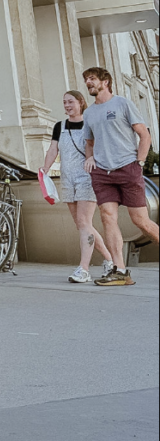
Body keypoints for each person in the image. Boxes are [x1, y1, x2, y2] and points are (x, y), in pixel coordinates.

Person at [82, 67, 159, 286]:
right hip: (102, 173)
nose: (88, 82)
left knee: (141, 221)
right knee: (107, 217)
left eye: (92, 78)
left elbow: (144, 135)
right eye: (86, 79)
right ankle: (120, 270)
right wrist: (89, 158)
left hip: (128, 168)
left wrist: (139, 163)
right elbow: (89, 142)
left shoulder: (122, 104)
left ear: (105, 82)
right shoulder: (89, 113)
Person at [40, 90, 115, 284]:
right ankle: (109, 260)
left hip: (87, 178)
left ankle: (84, 269)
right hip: (67, 178)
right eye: (64, 102)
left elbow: (101, 148)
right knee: (82, 225)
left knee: (83, 222)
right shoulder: (59, 126)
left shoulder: (91, 123)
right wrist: (45, 169)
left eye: (70, 102)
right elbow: (53, 149)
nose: (67, 105)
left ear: (81, 102)